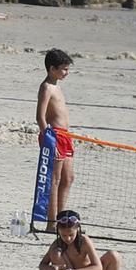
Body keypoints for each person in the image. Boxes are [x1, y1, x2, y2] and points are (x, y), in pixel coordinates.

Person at [37, 210, 121, 270]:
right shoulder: (57, 243)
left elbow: (98, 267)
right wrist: (52, 268)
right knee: (55, 252)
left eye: (71, 235)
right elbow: (42, 265)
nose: (68, 238)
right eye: (64, 235)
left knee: (114, 256)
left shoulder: (84, 241)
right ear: (58, 230)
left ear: (77, 229)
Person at [35, 48, 76, 223]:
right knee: (55, 179)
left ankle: (61, 218)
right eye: (63, 69)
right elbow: (40, 116)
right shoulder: (46, 87)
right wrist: (47, 139)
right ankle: (51, 222)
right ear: (52, 69)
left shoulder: (57, 86)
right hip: (54, 137)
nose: (66, 73)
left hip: (65, 136)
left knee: (68, 178)